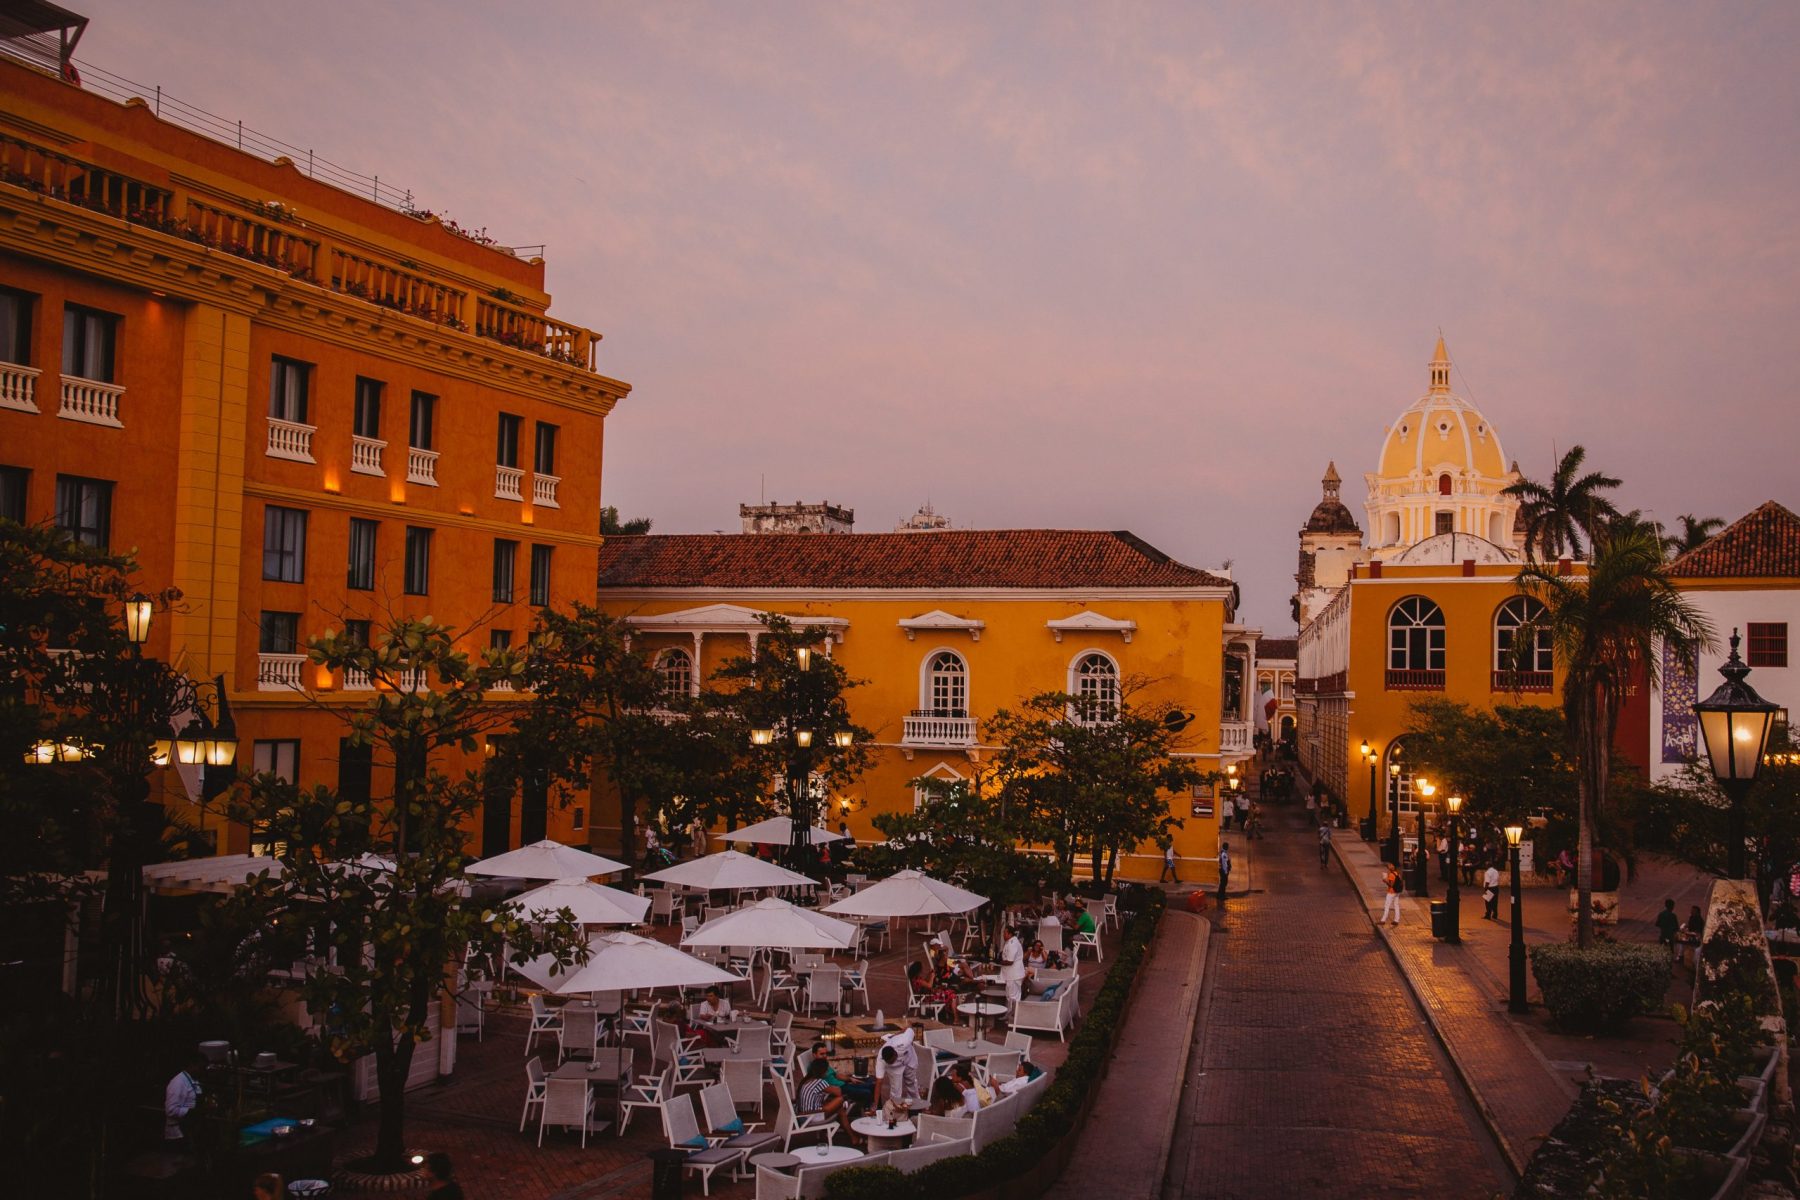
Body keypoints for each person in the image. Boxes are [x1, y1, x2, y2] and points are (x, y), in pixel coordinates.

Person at [797, 1059, 858, 1142]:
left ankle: (853, 1138)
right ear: (822, 1071)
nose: (827, 1073)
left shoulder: (807, 1080)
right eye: (826, 1071)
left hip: (806, 1114)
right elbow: (839, 1092)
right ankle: (853, 1136)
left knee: (840, 1109)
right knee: (840, 1100)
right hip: (812, 1116)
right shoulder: (819, 1082)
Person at [812, 1040, 873, 1106]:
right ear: (814, 1055)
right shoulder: (815, 1068)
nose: (825, 1056)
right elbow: (820, 1085)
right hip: (839, 1090)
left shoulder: (824, 1064)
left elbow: (836, 1075)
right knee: (867, 1092)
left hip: (843, 1085)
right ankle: (868, 1110)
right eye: (822, 1054)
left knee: (871, 1085)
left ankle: (877, 1110)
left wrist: (850, 1079)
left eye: (825, 1053)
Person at [164, 1050, 205, 1146]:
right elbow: (171, 1110)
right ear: (192, 1065)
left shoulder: (194, 1080)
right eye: (201, 1067)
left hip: (190, 1130)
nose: (203, 1071)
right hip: (178, 1134)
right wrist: (192, 1112)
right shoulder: (178, 1082)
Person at [1000, 922, 1025, 1005]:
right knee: (1009, 996)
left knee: (1013, 997)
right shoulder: (1010, 941)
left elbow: (1010, 961)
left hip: (1014, 975)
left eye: (1005, 933)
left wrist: (999, 962)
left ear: (1010, 934)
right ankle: (1009, 1013)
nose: (1003, 935)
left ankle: (1014, 1015)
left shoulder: (1012, 944)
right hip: (1011, 975)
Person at [1655, 898, 1681, 972]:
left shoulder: (1661, 914)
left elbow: (1657, 924)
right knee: (1670, 952)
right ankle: (1668, 969)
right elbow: (1676, 927)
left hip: (1663, 935)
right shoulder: (1673, 916)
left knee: (1662, 951)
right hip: (1670, 936)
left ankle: (1661, 968)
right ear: (1672, 906)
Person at [1681, 904, 1705, 970]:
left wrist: (1687, 932)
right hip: (1690, 936)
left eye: (1693, 910)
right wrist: (1685, 927)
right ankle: (1681, 956)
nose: (1691, 911)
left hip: (1696, 938)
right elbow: (1689, 926)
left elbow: (1697, 933)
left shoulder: (1699, 920)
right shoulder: (1691, 918)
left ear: (1697, 912)